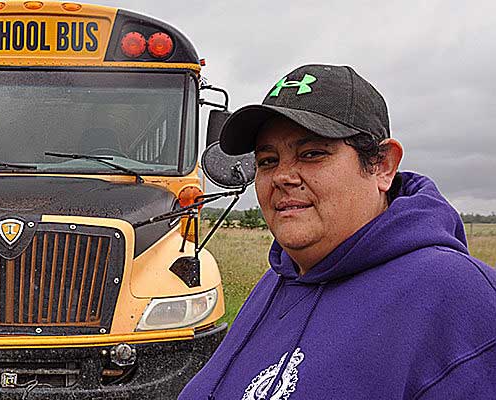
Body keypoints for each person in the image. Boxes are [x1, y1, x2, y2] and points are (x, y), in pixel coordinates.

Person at [179, 64, 496, 399]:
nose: (283, 177)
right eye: (268, 161)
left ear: (382, 166)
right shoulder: (280, 278)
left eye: (312, 154)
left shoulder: (461, 297)